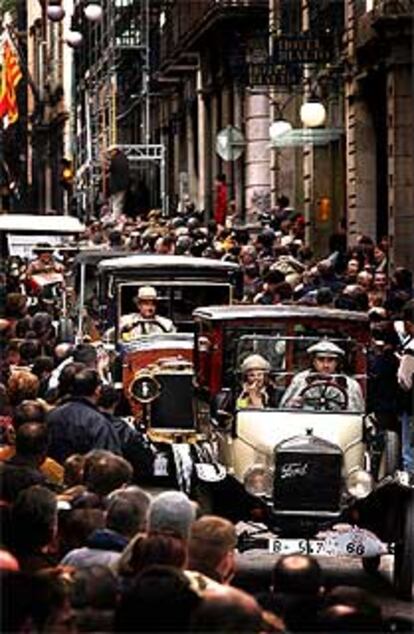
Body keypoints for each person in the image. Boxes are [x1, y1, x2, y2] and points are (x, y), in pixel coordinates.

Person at [280, 340, 364, 411]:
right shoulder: (300, 380)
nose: (326, 365)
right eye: (321, 359)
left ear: (337, 362)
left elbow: (357, 415)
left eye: (331, 360)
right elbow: (284, 409)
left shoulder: (351, 385)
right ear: (313, 361)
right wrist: (294, 404)